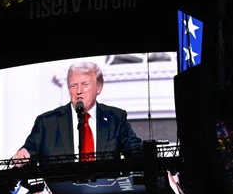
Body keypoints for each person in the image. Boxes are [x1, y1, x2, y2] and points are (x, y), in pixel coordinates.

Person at [12, 61, 141, 163]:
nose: (79, 91)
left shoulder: (116, 118)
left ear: (99, 87)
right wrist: (23, 155)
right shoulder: (47, 123)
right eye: (74, 85)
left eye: (85, 84)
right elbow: (27, 153)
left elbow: (136, 151)